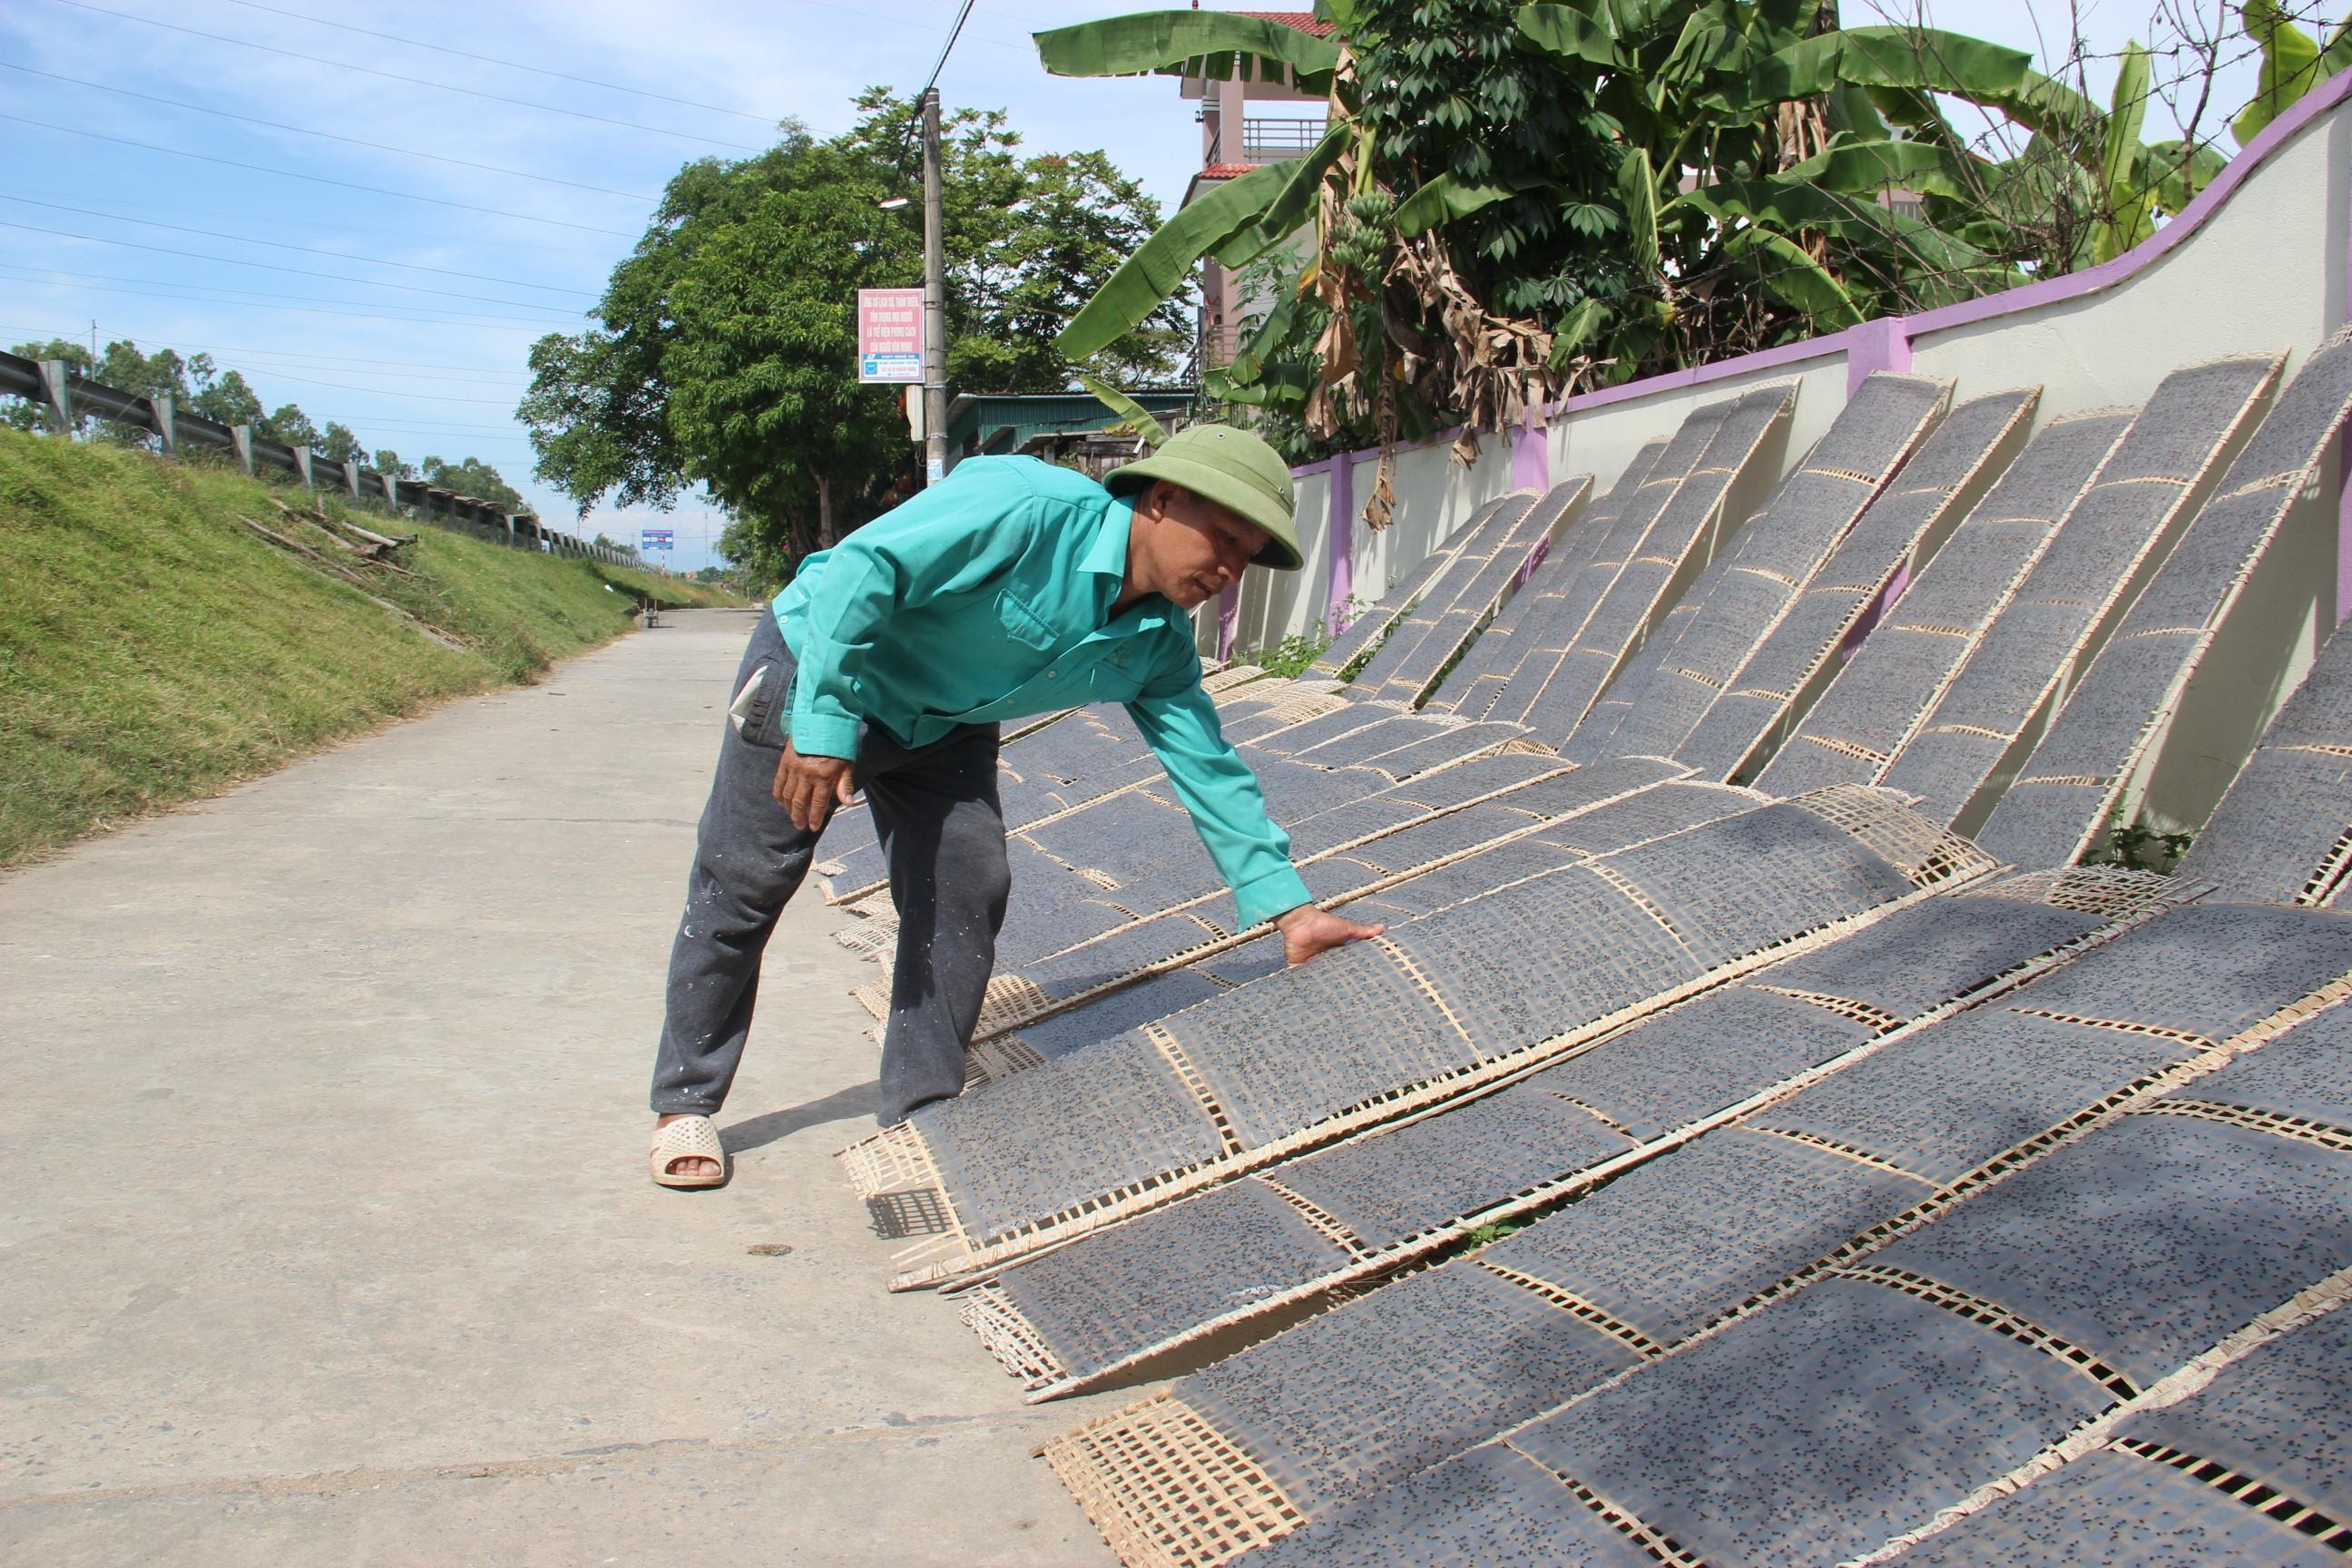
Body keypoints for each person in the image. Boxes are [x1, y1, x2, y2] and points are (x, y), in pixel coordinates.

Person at [647, 425, 1384, 1188]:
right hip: (828, 665)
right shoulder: (1025, 507)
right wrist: (822, 721)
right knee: (746, 880)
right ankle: (685, 1100)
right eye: (1224, 538)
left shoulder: (1156, 644)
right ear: (1162, 500)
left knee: (968, 884)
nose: (1230, 568)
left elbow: (1209, 768)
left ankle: (922, 1107)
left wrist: (1293, 914)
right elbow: (861, 570)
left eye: (1249, 556)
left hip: (945, 722)